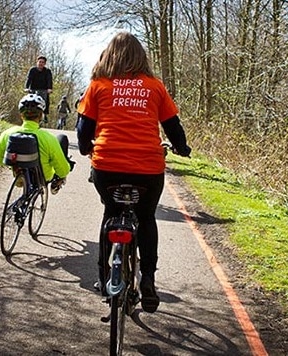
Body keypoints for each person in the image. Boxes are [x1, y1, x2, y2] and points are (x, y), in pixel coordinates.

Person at [76, 32, 191, 313]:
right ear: (142, 57)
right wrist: (182, 148)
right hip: (148, 168)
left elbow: (83, 130)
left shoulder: (98, 86)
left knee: (110, 214)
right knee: (146, 217)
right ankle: (148, 279)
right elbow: (172, 126)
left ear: (108, 55)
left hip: (107, 166)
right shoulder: (154, 87)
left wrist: (84, 148)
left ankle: (104, 278)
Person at [0, 94, 74, 194]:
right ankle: (56, 184)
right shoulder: (48, 138)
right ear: (41, 115)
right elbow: (63, 170)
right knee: (62, 139)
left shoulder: (7, 134)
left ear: (21, 115)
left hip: (19, 178)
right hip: (43, 177)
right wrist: (63, 173)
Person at [24, 56, 53, 123]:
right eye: (40, 62)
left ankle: (44, 115)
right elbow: (29, 79)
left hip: (43, 90)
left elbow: (49, 80)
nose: (41, 63)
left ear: (45, 64)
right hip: (33, 89)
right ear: (37, 62)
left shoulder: (47, 71)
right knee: (29, 102)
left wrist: (49, 88)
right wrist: (26, 88)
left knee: (44, 102)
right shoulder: (32, 70)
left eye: (43, 62)